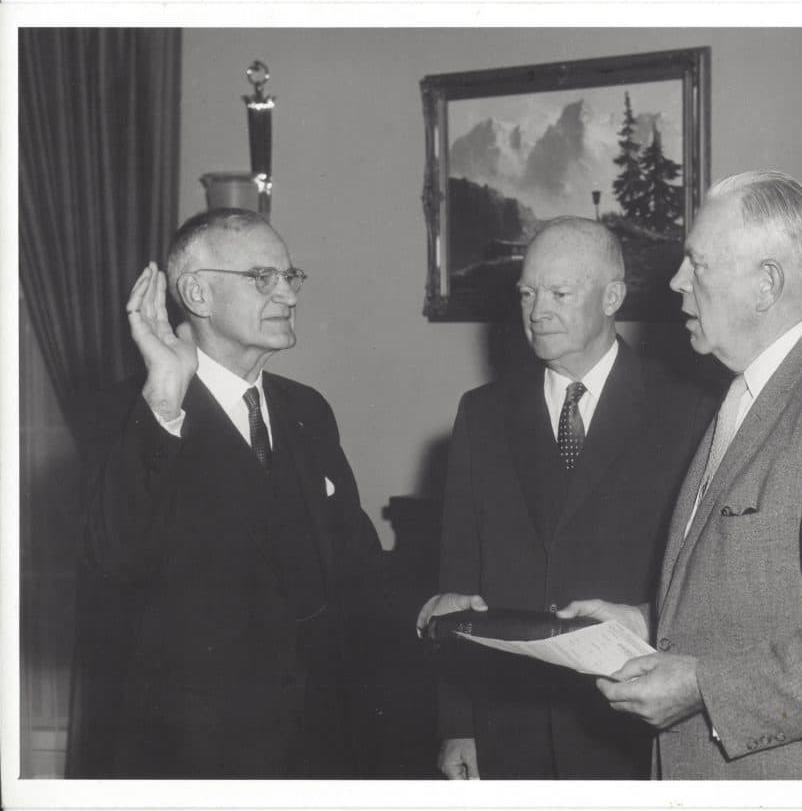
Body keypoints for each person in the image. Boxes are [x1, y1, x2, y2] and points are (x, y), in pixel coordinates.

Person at [559, 171, 802, 779]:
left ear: (767, 284)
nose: (678, 283)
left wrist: (704, 686)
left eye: (697, 264)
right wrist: (645, 622)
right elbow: (761, 597)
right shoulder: (745, 395)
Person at [80, 208, 381, 778]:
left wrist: (431, 609)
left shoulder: (306, 411)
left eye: (291, 277)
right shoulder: (132, 413)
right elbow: (113, 556)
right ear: (196, 292)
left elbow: (354, 564)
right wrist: (165, 399)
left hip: (316, 745)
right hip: (190, 757)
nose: (288, 296)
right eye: (263, 277)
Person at [416, 217, 714, 779]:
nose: (537, 310)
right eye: (528, 293)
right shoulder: (482, 414)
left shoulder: (688, 409)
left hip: (629, 723)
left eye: (559, 292)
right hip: (509, 724)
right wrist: (458, 725)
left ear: (613, 296)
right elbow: (458, 578)